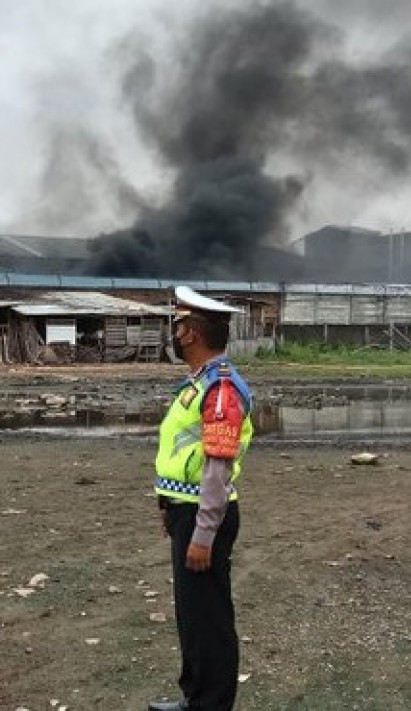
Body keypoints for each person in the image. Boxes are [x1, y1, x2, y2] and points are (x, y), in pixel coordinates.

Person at [148, 286, 252, 711]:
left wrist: (203, 533)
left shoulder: (221, 389)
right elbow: (182, 455)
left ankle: (210, 705)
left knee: (208, 619)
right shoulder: (199, 383)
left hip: (204, 515)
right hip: (186, 510)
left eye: (177, 326)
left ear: (190, 333)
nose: (173, 335)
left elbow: (217, 466)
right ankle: (195, 697)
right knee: (192, 615)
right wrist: (166, 506)